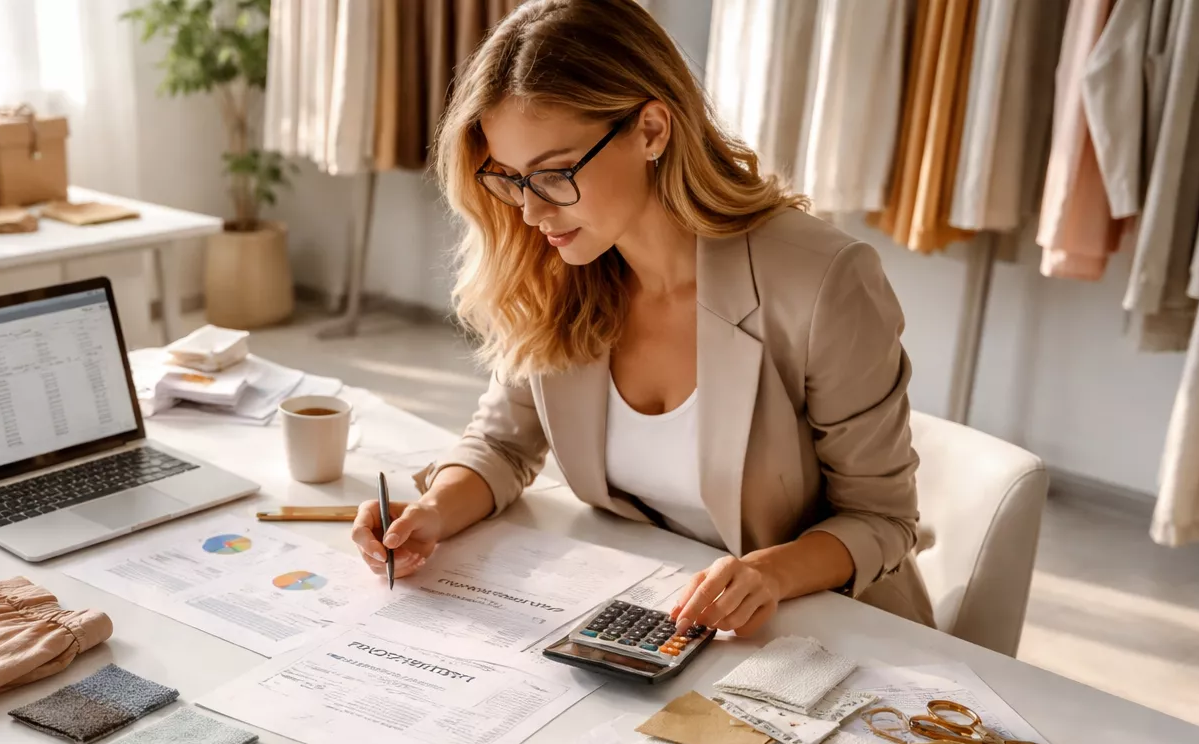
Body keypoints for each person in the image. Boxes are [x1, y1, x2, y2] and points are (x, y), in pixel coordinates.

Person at [350, 0, 934, 634]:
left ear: (652, 130)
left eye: (554, 173)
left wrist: (768, 573)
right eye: (510, 178)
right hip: (652, 616)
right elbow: (502, 444)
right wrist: (433, 512)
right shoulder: (558, 264)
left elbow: (881, 519)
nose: (530, 212)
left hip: (829, 627)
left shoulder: (821, 280)